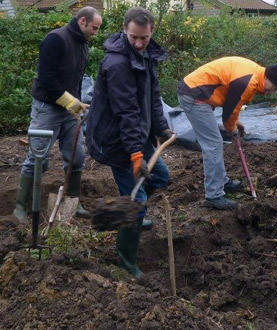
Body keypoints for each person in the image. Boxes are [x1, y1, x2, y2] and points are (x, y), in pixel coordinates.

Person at [86, 7, 172, 279]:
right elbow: (126, 112)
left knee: (161, 175)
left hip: (137, 134)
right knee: (139, 199)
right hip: (116, 140)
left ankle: (131, 210)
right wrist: (136, 153)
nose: (138, 43)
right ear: (124, 30)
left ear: (151, 33)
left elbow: (153, 96)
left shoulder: (147, 56)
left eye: (144, 38)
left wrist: (161, 127)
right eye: (134, 37)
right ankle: (125, 260)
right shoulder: (117, 64)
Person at [13, 7, 102, 224]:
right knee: (37, 157)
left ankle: (72, 201)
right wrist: (70, 102)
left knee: (76, 157)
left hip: (69, 112)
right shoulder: (55, 39)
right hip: (47, 109)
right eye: (94, 28)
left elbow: (77, 79)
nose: (96, 33)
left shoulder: (82, 45)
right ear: (82, 21)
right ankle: (20, 207)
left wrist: (77, 103)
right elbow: (46, 79)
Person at [177, 56, 277, 210]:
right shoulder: (248, 81)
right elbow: (228, 115)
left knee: (215, 142)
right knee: (213, 144)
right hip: (194, 95)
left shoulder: (255, 74)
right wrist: (232, 129)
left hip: (199, 93)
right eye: (274, 87)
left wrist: (234, 124)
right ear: (269, 78)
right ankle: (214, 195)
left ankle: (222, 182)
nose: (272, 92)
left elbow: (232, 106)